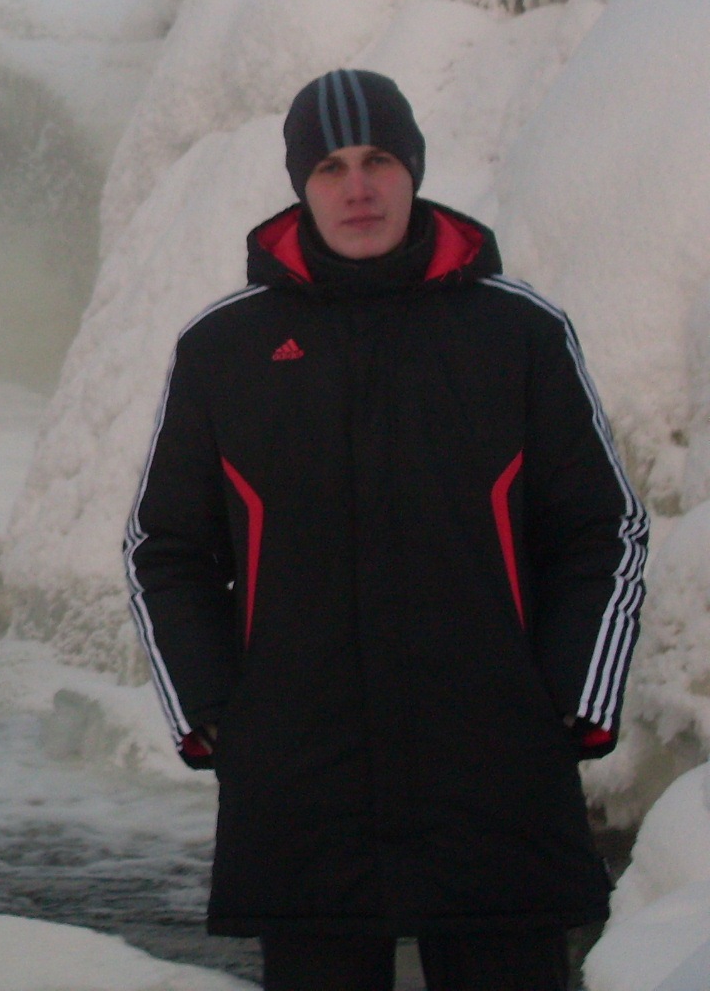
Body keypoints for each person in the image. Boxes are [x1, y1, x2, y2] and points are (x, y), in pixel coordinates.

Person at [124, 69, 649, 991]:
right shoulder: (226, 351)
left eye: (378, 161)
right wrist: (219, 716)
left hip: (494, 781)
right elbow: (162, 551)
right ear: (301, 183)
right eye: (330, 167)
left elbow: (603, 531)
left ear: (414, 168)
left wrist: (570, 701)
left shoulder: (517, 334)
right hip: (304, 790)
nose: (357, 188)